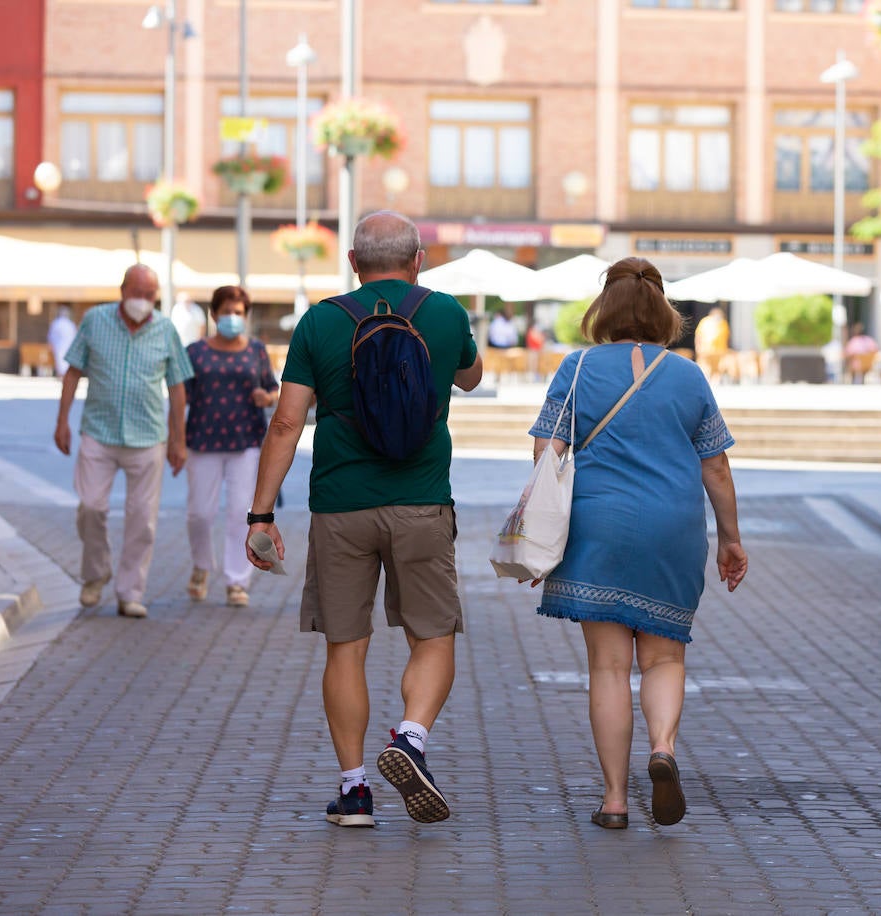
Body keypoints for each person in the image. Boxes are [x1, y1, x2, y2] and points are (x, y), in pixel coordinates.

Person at [245, 211, 483, 829]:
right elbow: (471, 377)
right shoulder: (447, 312)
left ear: (353, 262)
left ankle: (354, 793)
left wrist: (262, 514)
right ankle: (409, 738)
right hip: (423, 504)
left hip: (341, 508)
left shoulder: (321, 320)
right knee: (432, 636)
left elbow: (287, 423)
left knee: (344, 649)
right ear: (419, 259)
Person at [526, 256, 747, 830]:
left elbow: (545, 454)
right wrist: (730, 539)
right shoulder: (688, 375)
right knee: (665, 655)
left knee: (607, 667)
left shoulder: (575, 369)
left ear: (605, 308)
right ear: (662, 310)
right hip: (672, 529)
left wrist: (538, 535)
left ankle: (616, 801)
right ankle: (664, 749)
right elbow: (717, 468)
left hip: (596, 528)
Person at [54, 264, 192, 619]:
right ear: (122, 290)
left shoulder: (165, 329)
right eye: (138, 293)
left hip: (148, 437)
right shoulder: (95, 320)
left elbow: (177, 389)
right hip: (98, 432)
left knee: (143, 519)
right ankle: (96, 573)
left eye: (150, 295)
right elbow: (72, 372)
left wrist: (179, 440)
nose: (143, 301)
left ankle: (130, 592)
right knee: (91, 507)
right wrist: (62, 422)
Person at [183, 285, 278, 609]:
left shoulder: (256, 350)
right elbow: (180, 394)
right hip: (202, 440)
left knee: (241, 512)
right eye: (227, 312)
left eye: (238, 313)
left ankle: (237, 582)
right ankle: (201, 566)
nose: (233, 318)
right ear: (213, 314)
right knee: (200, 514)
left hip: (246, 441)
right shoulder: (195, 352)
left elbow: (273, 389)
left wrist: (267, 398)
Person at [693, 305, 730, 382]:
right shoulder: (705, 321)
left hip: (719, 351)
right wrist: (698, 347)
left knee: (717, 368)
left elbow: (726, 337)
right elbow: (698, 335)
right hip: (706, 349)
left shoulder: (723, 323)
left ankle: (715, 382)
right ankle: (705, 380)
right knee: (705, 366)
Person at [46, 305, 78, 377]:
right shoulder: (70, 324)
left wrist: (51, 344)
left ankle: (63, 375)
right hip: (65, 346)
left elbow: (51, 336)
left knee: (61, 362)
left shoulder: (57, 323)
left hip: (60, 346)